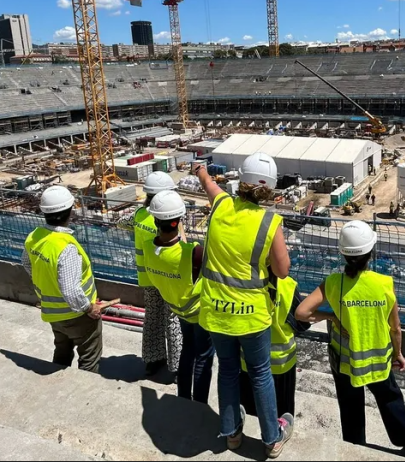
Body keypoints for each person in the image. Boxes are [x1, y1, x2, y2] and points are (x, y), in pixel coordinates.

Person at [295, 221, 405, 460]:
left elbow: (301, 313)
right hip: (377, 361)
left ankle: (354, 448)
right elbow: (395, 328)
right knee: (390, 400)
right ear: (371, 252)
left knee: (350, 407)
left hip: (344, 362)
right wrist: (397, 353)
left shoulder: (334, 283)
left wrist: (332, 317)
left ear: (343, 253)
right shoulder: (383, 284)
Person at [193, 153, 294, 458]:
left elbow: (209, 184)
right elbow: (283, 271)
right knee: (260, 373)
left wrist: (201, 172)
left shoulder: (222, 205)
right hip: (251, 315)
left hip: (216, 310)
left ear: (241, 181)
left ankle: (232, 434)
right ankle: (271, 439)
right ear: (271, 186)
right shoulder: (269, 222)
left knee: (227, 370)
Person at [22, 186, 107, 373]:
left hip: (52, 314)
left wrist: (47, 284)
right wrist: (89, 308)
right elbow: (70, 289)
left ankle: (59, 384)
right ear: (70, 211)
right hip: (78, 316)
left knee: (62, 350)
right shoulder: (65, 247)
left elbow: (28, 265)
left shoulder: (34, 237)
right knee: (89, 359)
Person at [143, 190, 214, 402]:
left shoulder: (148, 248)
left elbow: (171, 246)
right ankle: (199, 402)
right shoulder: (193, 252)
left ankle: (183, 397)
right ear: (178, 222)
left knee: (187, 350)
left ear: (155, 219)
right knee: (203, 356)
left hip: (178, 308)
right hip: (199, 312)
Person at [118, 171, 182, 377]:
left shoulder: (138, 216)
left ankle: (152, 359)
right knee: (172, 319)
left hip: (147, 277)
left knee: (152, 317)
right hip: (169, 280)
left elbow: (121, 222)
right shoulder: (166, 219)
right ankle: (177, 366)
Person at [240, 273, 310, 418]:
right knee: (282, 413)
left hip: (249, 360)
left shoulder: (244, 283)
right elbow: (301, 324)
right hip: (282, 363)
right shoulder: (288, 286)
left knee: (251, 409)